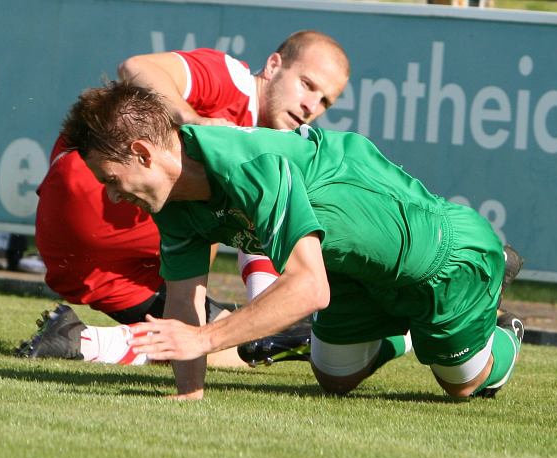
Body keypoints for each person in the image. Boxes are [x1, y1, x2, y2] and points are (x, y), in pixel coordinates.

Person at [62, 81, 524, 400]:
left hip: (441, 259)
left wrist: (204, 339)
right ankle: (404, 329)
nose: (113, 195)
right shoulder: (173, 205)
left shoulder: (251, 164)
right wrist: (189, 395)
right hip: (351, 275)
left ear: (142, 153)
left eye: (111, 178)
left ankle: (503, 322)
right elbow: (184, 303)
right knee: (333, 378)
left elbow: (307, 288)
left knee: (463, 385)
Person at [16, 31, 350, 366]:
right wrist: (195, 121)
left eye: (324, 102)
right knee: (218, 313)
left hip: (85, 261)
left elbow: (250, 233)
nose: (311, 107)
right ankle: (285, 337)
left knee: (216, 341)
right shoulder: (234, 81)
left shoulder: (267, 153)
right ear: (274, 65)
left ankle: (84, 340)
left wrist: (263, 311)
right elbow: (135, 68)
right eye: (307, 84)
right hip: (95, 185)